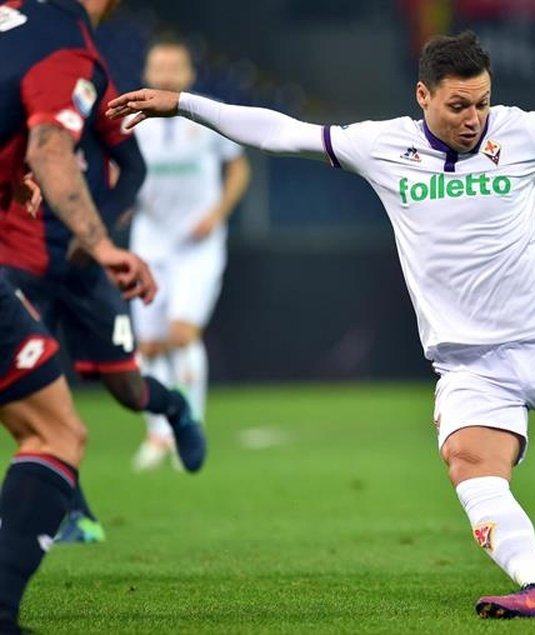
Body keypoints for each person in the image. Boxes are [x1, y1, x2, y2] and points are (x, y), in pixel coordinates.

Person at [108, 31, 535, 618]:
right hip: (468, 362)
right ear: (424, 95)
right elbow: (281, 132)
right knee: (469, 459)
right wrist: (183, 103)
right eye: (458, 105)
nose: (474, 118)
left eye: (481, 102)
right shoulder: (381, 146)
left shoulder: (523, 132)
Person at [0, 16, 209, 544]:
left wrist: (99, 233)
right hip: (17, 261)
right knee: (38, 389)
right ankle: (75, 514)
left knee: (125, 385)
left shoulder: (84, 82)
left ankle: (173, 407)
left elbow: (131, 167)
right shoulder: (14, 78)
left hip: (86, 262)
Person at [0, 0, 158, 630]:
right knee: (56, 432)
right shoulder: (65, 43)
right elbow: (49, 146)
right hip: (41, 260)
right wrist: (101, 244)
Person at [128, 35, 251, 471]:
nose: (164, 74)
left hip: (197, 246)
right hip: (149, 244)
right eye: (157, 67)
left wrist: (217, 213)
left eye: (173, 67)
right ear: (146, 72)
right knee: (148, 344)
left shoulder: (203, 117)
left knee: (181, 334)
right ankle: (158, 434)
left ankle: (190, 425)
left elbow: (239, 166)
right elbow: (118, 172)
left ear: (188, 74)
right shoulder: (132, 123)